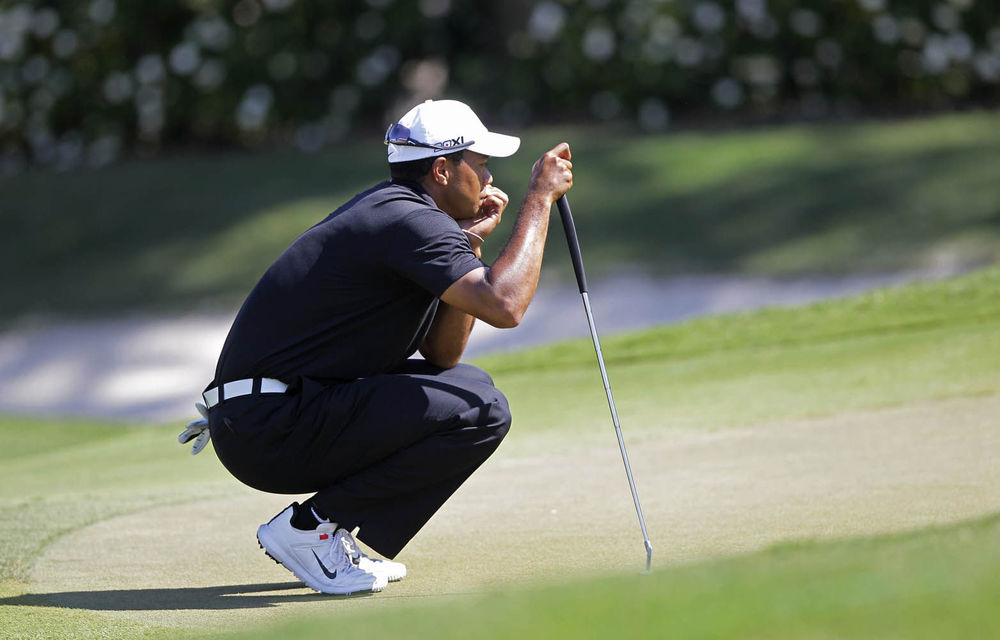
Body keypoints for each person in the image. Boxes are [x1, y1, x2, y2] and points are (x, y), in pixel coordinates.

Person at [188, 99, 573, 595]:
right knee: (483, 408)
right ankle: (311, 528)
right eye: (479, 164)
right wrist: (539, 199)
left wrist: (470, 244)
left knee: (471, 387)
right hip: (268, 427)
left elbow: (442, 355)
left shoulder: (404, 215)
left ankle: (325, 530)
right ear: (441, 170)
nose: (487, 175)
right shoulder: (406, 220)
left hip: (272, 416)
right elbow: (505, 304)